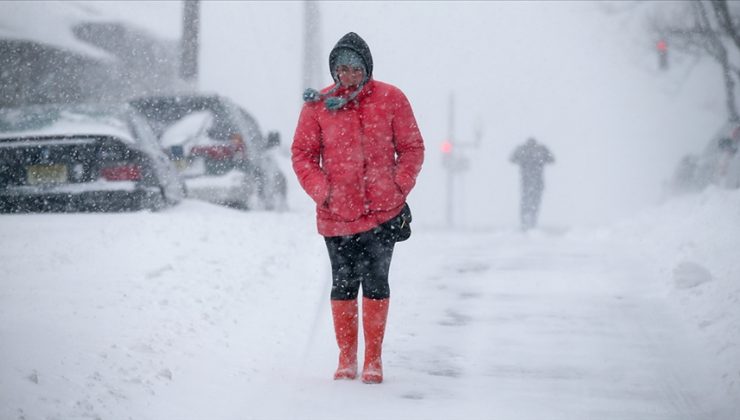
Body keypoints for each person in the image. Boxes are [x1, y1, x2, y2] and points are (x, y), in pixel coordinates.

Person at [291, 32, 425, 384]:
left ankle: (374, 360)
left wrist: (398, 186)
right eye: (341, 69)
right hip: (337, 213)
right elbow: (303, 155)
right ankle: (347, 357)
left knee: (377, 281)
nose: (347, 76)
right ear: (334, 71)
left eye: (354, 69)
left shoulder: (392, 99)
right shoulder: (318, 105)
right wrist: (323, 192)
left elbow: (411, 147)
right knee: (344, 283)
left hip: (383, 211)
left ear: (367, 68)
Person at [509, 137, 554, 231]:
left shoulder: (523, 150)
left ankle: (525, 222)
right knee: (534, 203)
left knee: (526, 202)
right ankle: (531, 222)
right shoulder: (540, 150)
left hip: (526, 182)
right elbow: (551, 159)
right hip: (536, 182)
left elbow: (512, 159)